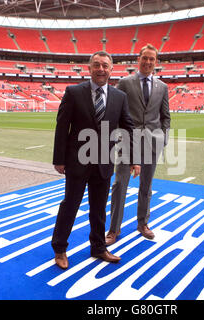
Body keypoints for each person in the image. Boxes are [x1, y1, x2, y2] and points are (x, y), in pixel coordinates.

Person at [51, 51, 140, 270]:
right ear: (89, 68)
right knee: (70, 205)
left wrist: (134, 158)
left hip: (104, 163)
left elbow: (128, 128)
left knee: (99, 208)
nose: (101, 69)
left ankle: (98, 247)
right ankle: (60, 248)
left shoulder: (119, 97)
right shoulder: (73, 92)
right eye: (97, 65)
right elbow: (62, 127)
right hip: (77, 162)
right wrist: (59, 159)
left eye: (105, 66)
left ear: (111, 70)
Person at [105, 44, 170, 245]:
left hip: (152, 143)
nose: (148, 62)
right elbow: (115, 110)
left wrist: (163, 138)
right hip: (128, 142)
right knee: (119, 185)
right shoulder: (124, 82)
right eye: (145, 58)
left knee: (146, 186)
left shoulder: (162, 87)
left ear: (156, 62)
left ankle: (143, 223)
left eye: (152, 59)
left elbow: (165, 116)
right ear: (138, 59)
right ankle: (114, 229)